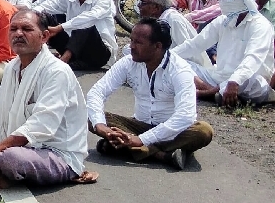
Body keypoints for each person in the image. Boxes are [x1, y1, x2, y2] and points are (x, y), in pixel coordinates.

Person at [0, 9, 94, 188]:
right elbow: (3, 114)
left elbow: (41, 126)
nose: (18, 34)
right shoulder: (12, 66)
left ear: (44, 36)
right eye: (13, 29)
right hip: (21, 143)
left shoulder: (57, 71)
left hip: (56, 152)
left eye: (26, 29)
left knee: (10, 158)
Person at [87, 18, 215, 170]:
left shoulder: (180, 70)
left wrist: (140, 140)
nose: (131, 47)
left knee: (203, 131)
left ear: (157, 46)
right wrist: (102, 127)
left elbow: (185, 116)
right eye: (131, 40)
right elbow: (97, 92)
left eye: (138, 43)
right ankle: (162, 155)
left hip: (171, 131)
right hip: (137, 126)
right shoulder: (129, 62)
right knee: (91, 117)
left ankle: (127, 147)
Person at [172, 0, 275, 106]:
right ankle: (211, 91)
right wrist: (167, 56)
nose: (221, 1)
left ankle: (205, 93)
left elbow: (253, 58)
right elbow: (195, 44)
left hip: (246, 82)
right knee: (177, 63)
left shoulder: (261, 25)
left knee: (252, 80)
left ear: (239, 0)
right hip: (218, 77)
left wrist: (234, 80)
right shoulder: (223, 20)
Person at [35, 0, 118, 70]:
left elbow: (88, 18)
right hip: (74, 48)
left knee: (85, 25)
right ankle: (38, 52)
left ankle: (63, 61)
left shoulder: (104, 0)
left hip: (100, 54)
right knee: (43, 17)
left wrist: (60, 27)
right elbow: (43, 6)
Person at [136, 0, 206, 68]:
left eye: (143, 3)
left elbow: (187, 52)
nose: (138, 5)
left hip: (188, 69)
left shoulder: (173, 19)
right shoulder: (156, 21)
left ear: (156, 7)